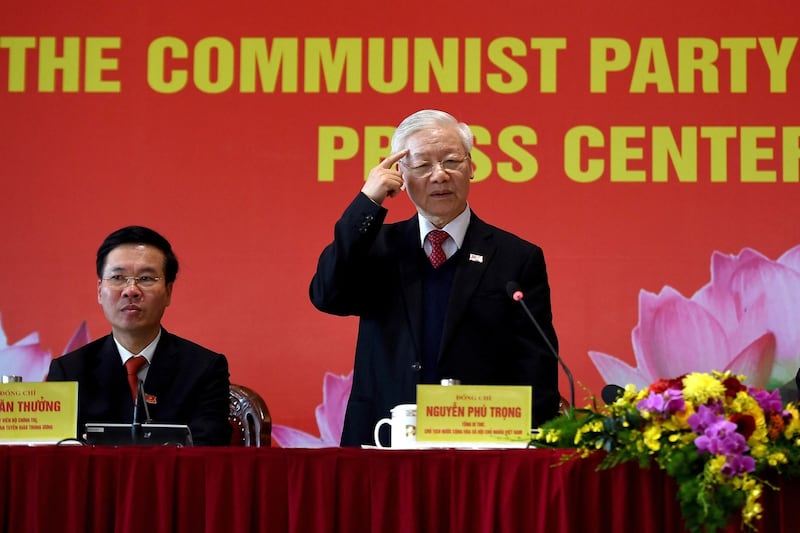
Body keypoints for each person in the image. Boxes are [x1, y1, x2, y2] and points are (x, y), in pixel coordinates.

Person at [310, 109, 561, 446]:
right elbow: (328, 295)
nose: (439, 175)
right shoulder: (377, 247)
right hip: (385, 438)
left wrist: (528, 448)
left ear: (472, 167)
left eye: (451, 161)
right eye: (423, 165)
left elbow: (536, 364)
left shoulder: (517, 257)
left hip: (481, 447)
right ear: (399, 173)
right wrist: (367, 202)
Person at [48, 225, 232, 446]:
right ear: (99, 291)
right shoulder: (69, 371)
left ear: (168, 292)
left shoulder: (205, 369)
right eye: (118, 277)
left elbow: (209, 450)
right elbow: (59, 456)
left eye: (145, 278)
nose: (131, 290)